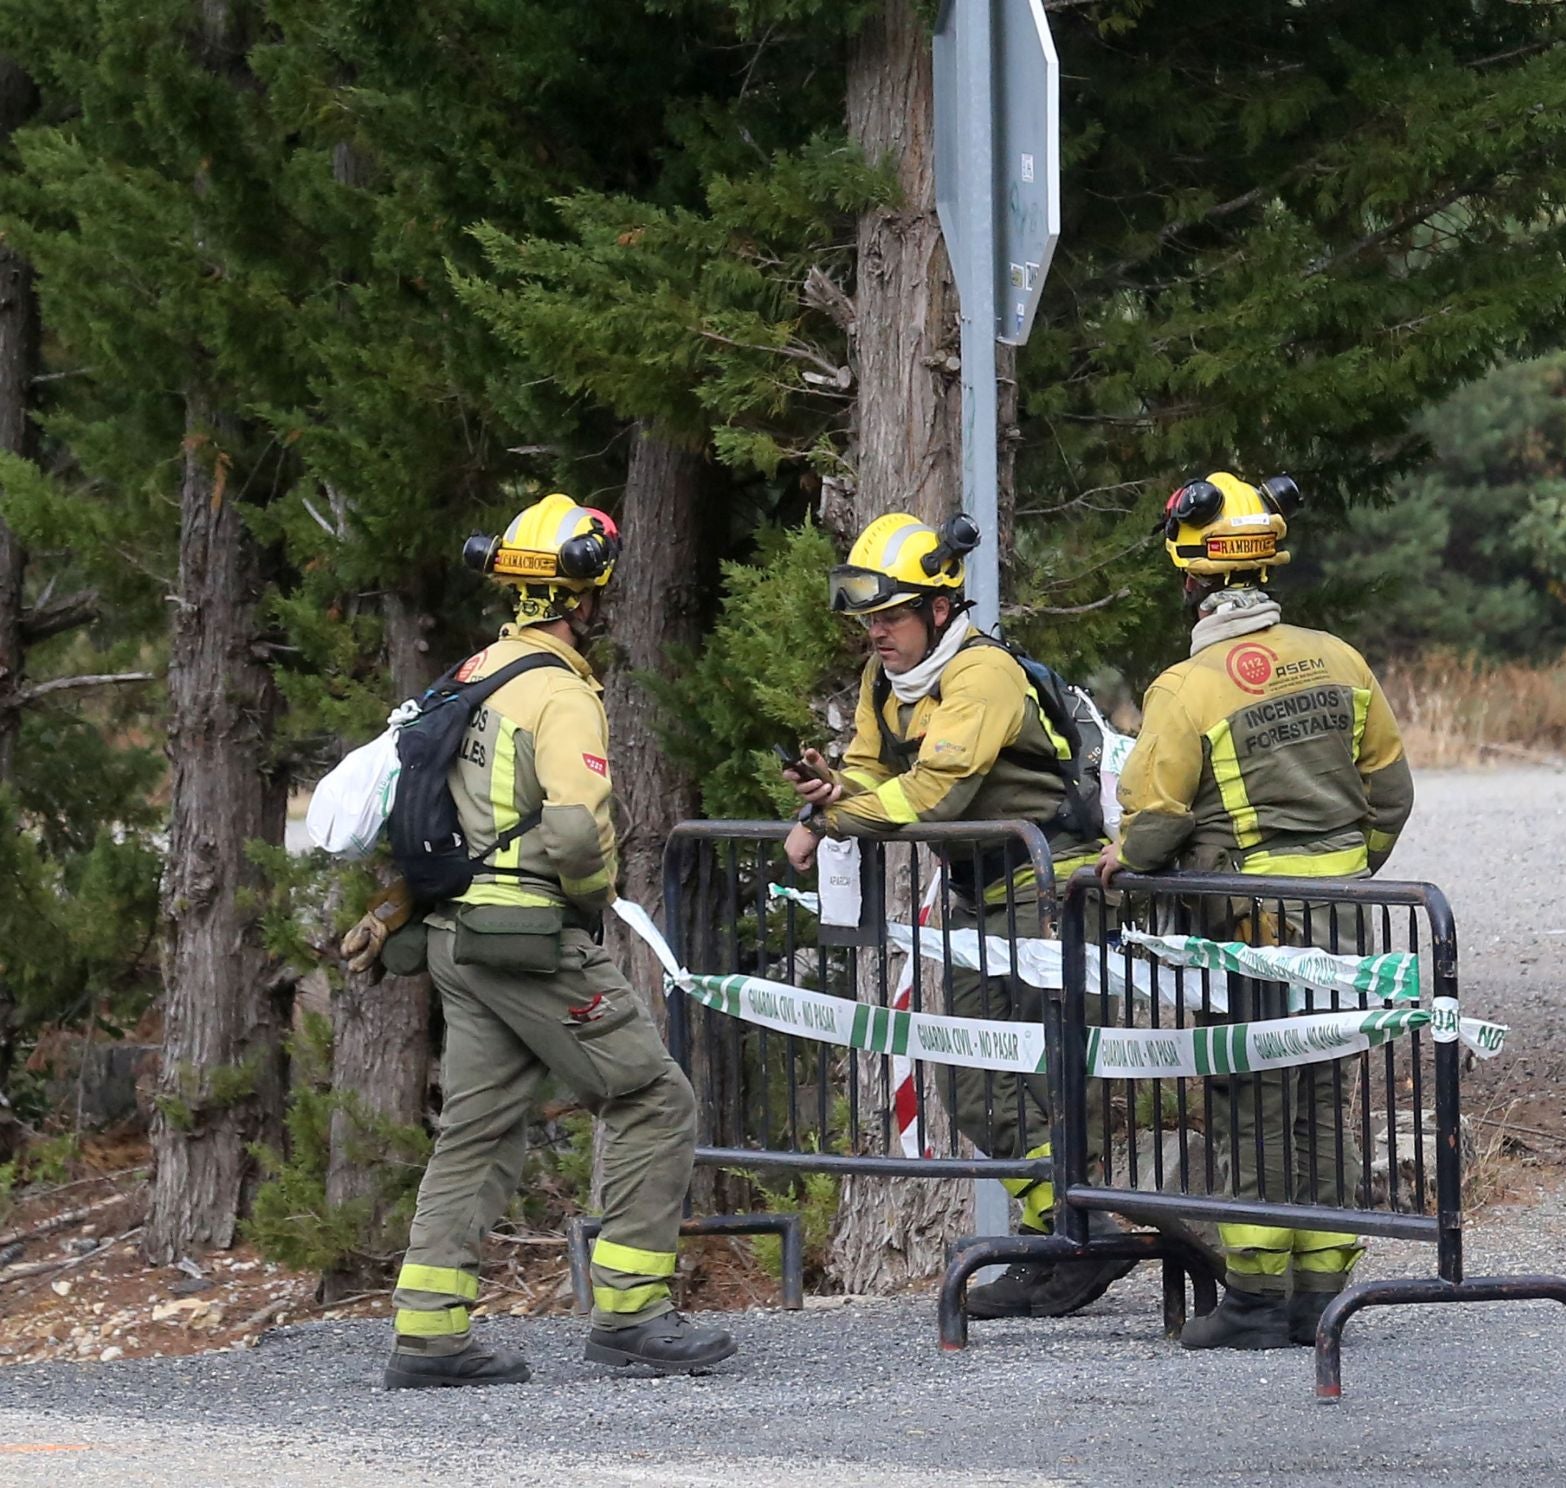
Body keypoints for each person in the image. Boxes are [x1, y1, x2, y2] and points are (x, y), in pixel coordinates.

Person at [342, 492, 734, 1388]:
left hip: (456, 938)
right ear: (585, 595)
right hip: (527, 940)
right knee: (653, 1098)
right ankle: (632, 1313)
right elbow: (575, 835)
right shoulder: (560, 691)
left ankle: (428, 1335)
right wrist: (592, 904)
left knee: (475, 1130)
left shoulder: (474, 673)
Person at [1097, 471, 1415, 1350]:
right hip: (1344, 919)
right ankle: (1321, 1294)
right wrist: (1342, 873)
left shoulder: (1188, 687)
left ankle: (1254, 1300)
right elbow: (1391, 796)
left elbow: (1158, 818)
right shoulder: (1340, 659)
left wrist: (1122, 861)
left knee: (1254, 1097)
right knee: (1324, 1093)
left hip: (1247, 928)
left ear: (1189, 575)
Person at [782, 511, 1123, 1319]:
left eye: (892, 617)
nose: (877, 635)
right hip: (978, 898)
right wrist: (831, 790)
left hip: (1049, 894)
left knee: (1046, 1077)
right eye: (869, 621)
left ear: (940, 609)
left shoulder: (982, 675)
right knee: (972, 1085)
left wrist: (831, 821)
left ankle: (1078, 1236)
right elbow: (873, 772)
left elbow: (938, 791)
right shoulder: (884, 682)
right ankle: (1065, 1234)